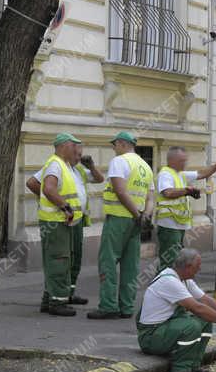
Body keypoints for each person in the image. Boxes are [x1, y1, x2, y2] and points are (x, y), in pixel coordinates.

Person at [137, 248, 216, 372]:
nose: (200, 269)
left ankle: (193, 365)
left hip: (163, 329)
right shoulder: (170, 281)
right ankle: (180, 369)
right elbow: (198, 308)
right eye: (198, 266)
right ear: (188, 267)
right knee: (191, 326)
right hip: (150, 336)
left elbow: (205, 299)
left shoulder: (184, 279)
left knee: (205, 321)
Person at [28, 143, 105, 307]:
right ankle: (56, 297)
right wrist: (52, 199)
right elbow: (32, 183)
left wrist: (90, 164)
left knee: (73, 258)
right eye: (77, 154)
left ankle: (68, 292)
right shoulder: (56, 166)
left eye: (80, 155)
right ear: (68, 151)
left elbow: (99, 179)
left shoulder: (78, 170)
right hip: (61, 219)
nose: (78, 158)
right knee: (59, 258)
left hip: (76, 220)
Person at [90, 131, 154, 320]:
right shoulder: (145, 166)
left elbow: (120, 190)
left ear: (121, 143)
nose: (113, 148)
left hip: (118, 218)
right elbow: (151, 198)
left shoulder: (119, 161)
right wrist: (145, 216)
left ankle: (108, 306)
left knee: (108, 262)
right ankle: (127, 307)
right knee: (130, 264)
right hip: (136, 222)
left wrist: (135, 214)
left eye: (114, 145)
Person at [155, 147, 216, 271]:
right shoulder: (166, 174)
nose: (185, 163)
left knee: (175, 260)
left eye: (185, 160)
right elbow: (168, 193)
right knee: (168, 261)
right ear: (172, 160)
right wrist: (187, 191)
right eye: (181, 160)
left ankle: (172, 284)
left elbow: (202, 173)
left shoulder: (180, 174)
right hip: (169, 224)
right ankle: (162, 285)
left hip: (178, 224)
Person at [34, 133, 84, 316]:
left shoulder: (62, 165)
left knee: (58, 260)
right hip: (55, 222)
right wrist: (64, 206)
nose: (76, 150)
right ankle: (57, 303)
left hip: (60, 223)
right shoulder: (55, 164)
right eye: (73, 147)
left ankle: (49, 300)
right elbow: (48, 188)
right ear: (64, 146)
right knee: (59, 261)